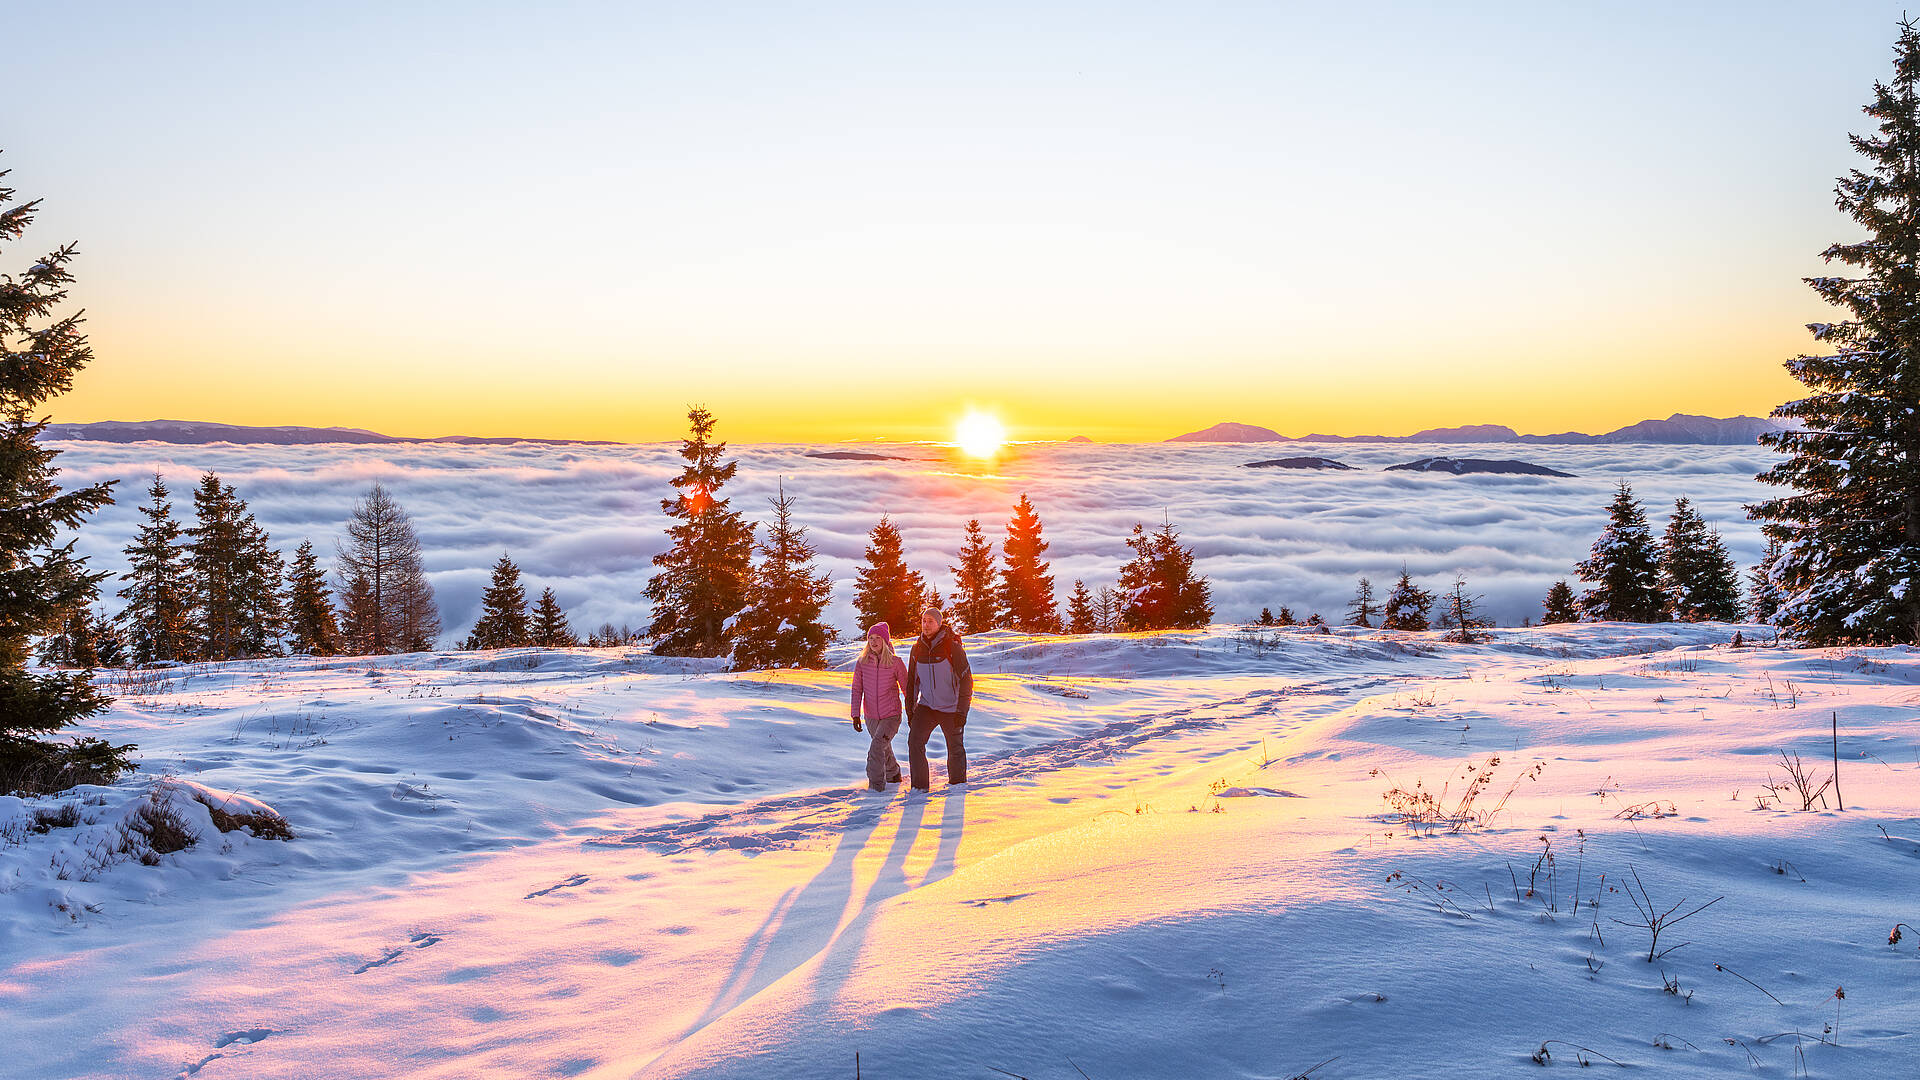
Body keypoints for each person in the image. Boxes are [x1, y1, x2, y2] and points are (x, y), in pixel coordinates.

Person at [904, 603, 973, 790]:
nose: (926, 625)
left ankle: (957, 788)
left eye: (930, 621)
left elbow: (967, 680)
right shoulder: (917, 649)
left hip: (951, 707)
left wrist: (962, 711)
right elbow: (912, 683)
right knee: (914, 742)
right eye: (923, 621)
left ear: (939, 623)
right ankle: (919, 788)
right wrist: (910, 710)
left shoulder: (952, 647)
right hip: (926, 706)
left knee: (955, 748)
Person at [849, 622, 907, 790]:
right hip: (871, 717)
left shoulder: (896, 663)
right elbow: (856, 689)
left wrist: (913, 711)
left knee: (876, 748)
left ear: (885, 641)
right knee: (883, 747)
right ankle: (894, 773)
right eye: (870, 638)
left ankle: (876, 788)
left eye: (877, 638)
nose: (873, 642)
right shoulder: (862, 663)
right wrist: (855, 715)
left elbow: (907, 688)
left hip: (891, 716)